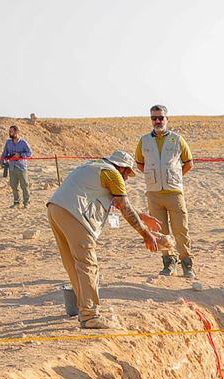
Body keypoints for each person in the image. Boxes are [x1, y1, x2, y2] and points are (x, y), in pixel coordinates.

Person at [45, 151, 160, 330]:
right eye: (127, 173)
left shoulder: (94, 166)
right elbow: (124, 206)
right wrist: (146, 233)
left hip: (55, 209)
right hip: (75, 214)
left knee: (73, 263)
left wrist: (143, 216)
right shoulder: (112, 174)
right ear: (122, 167)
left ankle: (82, 307)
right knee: (87, 265)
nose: (127, 178)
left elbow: (118, 202)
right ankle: (90, 316)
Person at [135, 104, 196, 278]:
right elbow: (140, 163)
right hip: (154, 194)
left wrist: (175, 177)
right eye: (154, 118)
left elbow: (189, 163)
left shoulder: (177, 139)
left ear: (167, 119)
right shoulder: (144, 140)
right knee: (161, 232)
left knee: (181, 230)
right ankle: (169, 264)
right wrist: (152, 177)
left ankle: (187, 264)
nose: (157, 121)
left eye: (161, 117)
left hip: (174, 193)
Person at [0, 125, 33, 208]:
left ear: (16, 132)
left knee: (24, 185)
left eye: (11, 131)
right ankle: (16, 202)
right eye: (9, 131)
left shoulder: (23, 143)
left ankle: (26, 203)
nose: (10, 133)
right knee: (13, 185)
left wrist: (20, 155)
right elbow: (4, 153)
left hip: (21, 167)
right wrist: (2, 161)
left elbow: (29, 153)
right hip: (11, 167)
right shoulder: (8, 142)